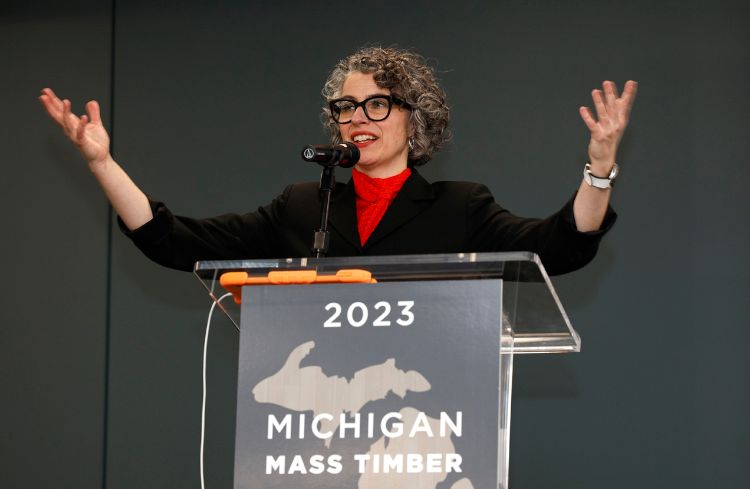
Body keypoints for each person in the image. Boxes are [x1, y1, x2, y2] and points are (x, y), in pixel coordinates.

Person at [39, 47, 637, 275]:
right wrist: (101, 163)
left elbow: (559, 247)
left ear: (415, 118)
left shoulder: (461, 206)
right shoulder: (303, 205)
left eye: (378, 104)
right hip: (316, 430)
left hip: (424, 422)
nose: (358, 117)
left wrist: (599, 166)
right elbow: (173, 241)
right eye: (347, 106)